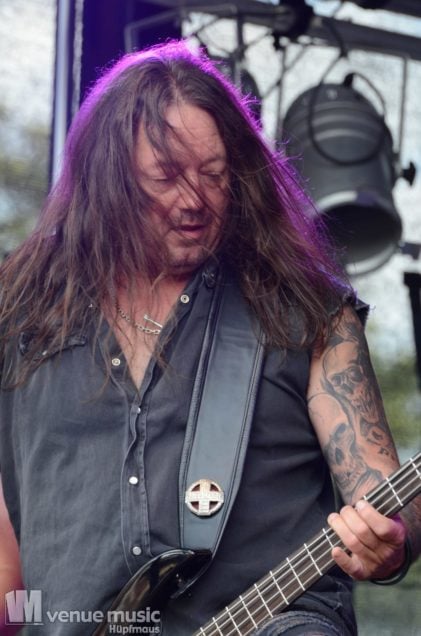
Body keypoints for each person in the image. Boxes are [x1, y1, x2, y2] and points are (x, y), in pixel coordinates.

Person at [0, 40, 419, 636]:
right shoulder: (22, 320)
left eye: (214, 176)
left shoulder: (306, 312)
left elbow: (384, 493)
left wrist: (392, 542)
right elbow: (9, 569)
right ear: (108, 180)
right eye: (166, 177)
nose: (194, 201)